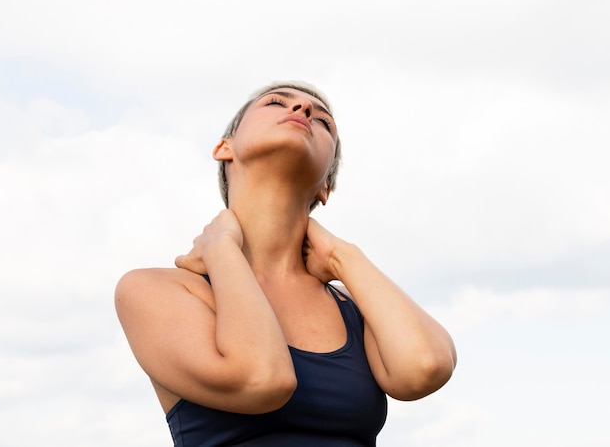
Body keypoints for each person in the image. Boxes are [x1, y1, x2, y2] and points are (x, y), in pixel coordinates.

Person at [115, 81, 456, 446]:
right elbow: (260, 379)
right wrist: (222, 248)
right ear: (224, 148)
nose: (303, 111)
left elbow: (425, 367)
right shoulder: (154, 289)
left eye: (324, 122)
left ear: (326, 186)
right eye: (276, 102)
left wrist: (344, 256)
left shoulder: (355, 303)